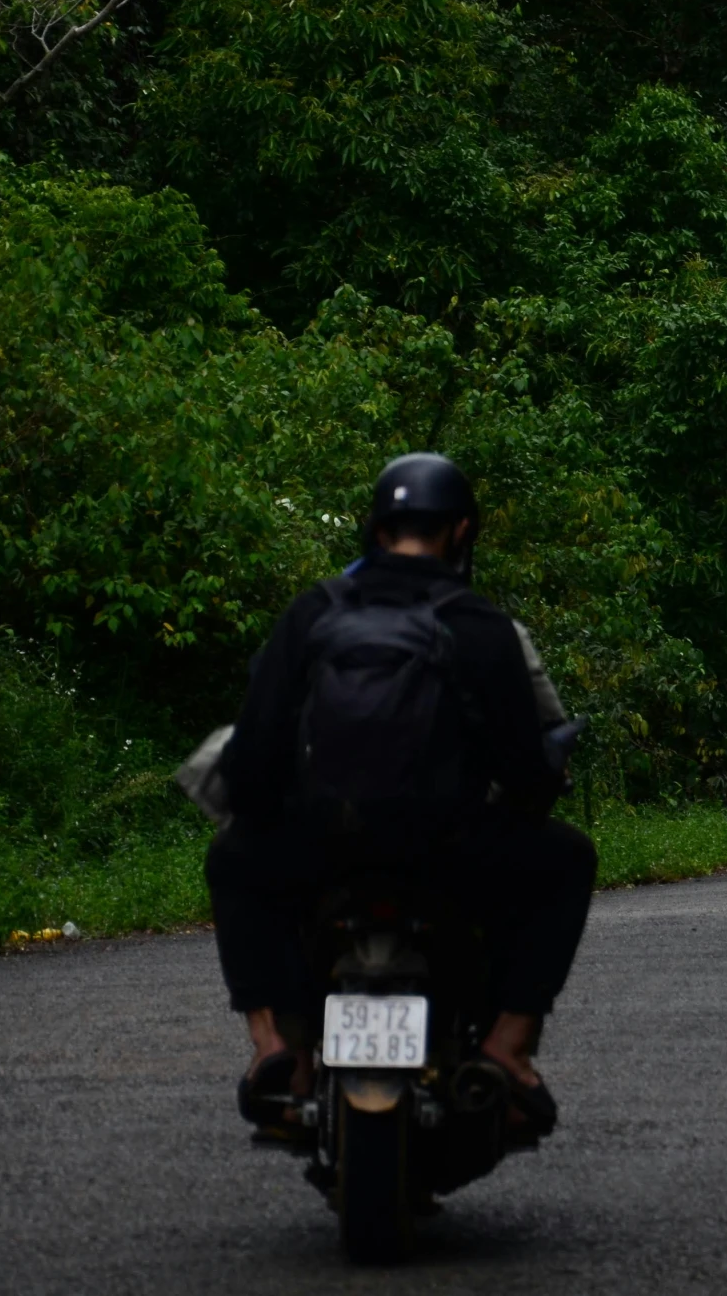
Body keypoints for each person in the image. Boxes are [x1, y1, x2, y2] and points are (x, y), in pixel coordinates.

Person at [204, 452, 596, 1140]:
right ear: (461, 531)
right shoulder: (483, 627)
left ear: (379, 532)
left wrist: (268, 818)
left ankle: (275, 1048)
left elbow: (254, 755)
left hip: (321, 843)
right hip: (448, 850)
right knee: (569, 860)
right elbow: (526, 771)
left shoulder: (313, 613)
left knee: (231, 859)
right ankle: (506, 1045)